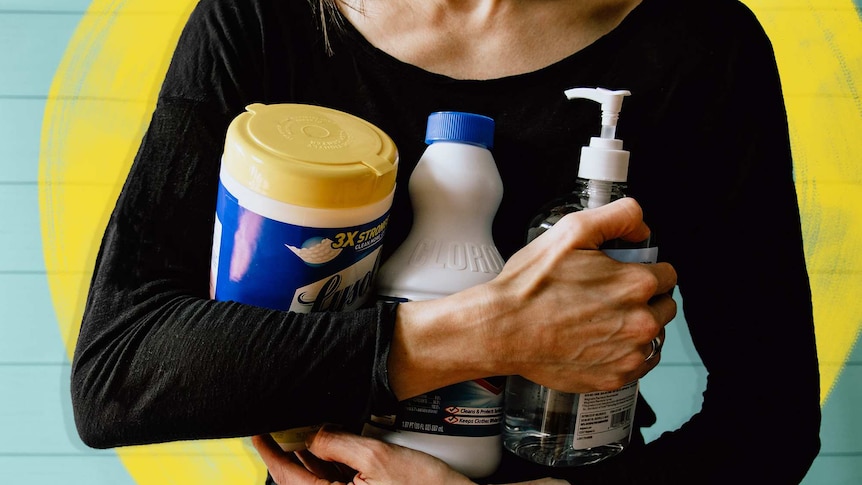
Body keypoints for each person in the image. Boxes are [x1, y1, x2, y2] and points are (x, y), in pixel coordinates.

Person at [70, 0, 821, 483]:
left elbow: (771, 422)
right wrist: (490, 332)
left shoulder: (702, 46)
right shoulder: (268, 19)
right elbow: (121, 372)